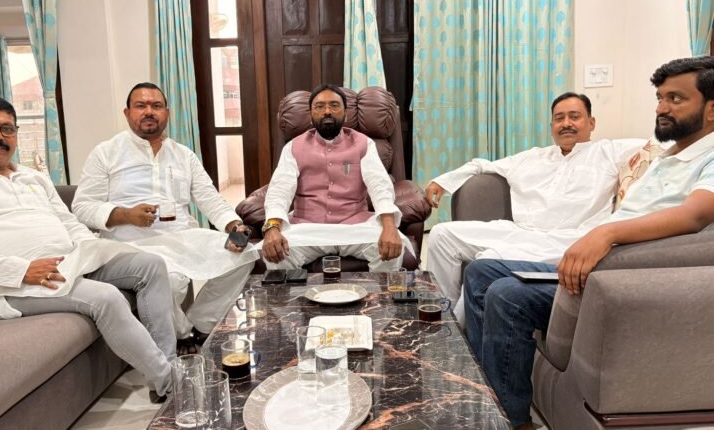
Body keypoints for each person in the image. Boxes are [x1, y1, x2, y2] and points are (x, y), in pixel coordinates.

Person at [463, 56, 714, 430]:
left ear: (711, 109)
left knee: (507, 295)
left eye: (675, 99)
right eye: (660, 98)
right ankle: (487, 388)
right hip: (595, 261)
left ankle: (512, 422)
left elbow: (695, 215)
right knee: (481, 271)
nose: (661, 108)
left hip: (616, 275)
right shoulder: (671, 154)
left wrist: (604, 234)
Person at [0, 96, 176, 400]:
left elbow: (69, 222)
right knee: (106, 297)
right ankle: (171, 384)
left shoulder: (33, 177)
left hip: (70, 263)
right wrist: (22, 270)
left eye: (7, 129)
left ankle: (172, 364)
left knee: (151, 265)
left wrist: (91, 251)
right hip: (10, 286)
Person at [424, 92, 645, 320]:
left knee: (485, 261)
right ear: (551, 126)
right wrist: (442, 182)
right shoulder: (533, 157)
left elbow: (658, 146)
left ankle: (454, 332)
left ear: (591, 123)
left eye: (574, 116)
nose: (566, 123)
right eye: (559, 118)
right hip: (519, 231)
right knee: (441, 235)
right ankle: (441, 313)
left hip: (565, 240)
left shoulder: (609, 152)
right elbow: (482, 165)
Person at [73, 83, 258, 348]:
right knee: (168, 281)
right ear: (127, 113)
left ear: (167, 113)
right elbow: (82, 206)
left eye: (156, 106)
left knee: (245, 255)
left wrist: (234, 225)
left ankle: (201, 325)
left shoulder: (183, 155)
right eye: (141, 106)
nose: (149, 111)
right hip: (130, 246)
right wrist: (125, 215)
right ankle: (182, 337)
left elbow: (209, 197)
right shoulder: (106, 153)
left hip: (181, 238)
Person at [261, 84, 406, 271]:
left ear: (345, 114)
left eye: (334, 105)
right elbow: (280, 189)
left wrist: (389, 226)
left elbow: (380, 186)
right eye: (319, 106)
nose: (327, 111)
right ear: (310, 115)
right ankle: (295, 293)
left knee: (391, 248)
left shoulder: (364, 143)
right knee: (277, 254)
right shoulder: (293, 147)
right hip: (307, 228)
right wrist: (272, 228)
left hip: (355, 226)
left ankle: (377, 292)